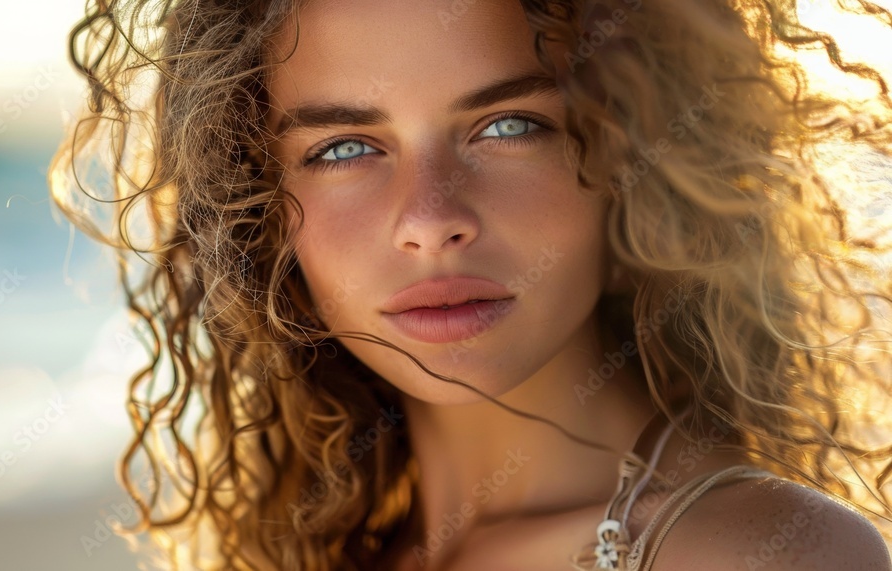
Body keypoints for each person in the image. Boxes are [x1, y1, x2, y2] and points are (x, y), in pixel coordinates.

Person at [49, 0, 892, 568]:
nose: (429, 218)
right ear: (258, 208)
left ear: (644, 154)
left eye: (509, 126)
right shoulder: (349, 547)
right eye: (344, 147)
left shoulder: (761, 553)